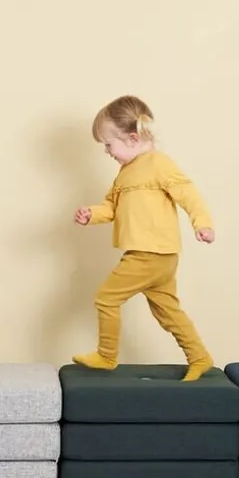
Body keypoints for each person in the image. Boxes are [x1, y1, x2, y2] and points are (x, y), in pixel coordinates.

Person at [73, 95, 215, 381]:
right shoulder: (124, 174)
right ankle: (200, 357)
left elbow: (188, 193)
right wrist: (92, 214)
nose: (107, 151)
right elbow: (111, 207)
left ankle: (107, 355)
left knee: (106, 299)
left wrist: (202, 223)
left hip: (148, 254)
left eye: (108, 144)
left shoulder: (159, 164)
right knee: (168, 312)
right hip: (160, 257)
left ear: (133, 138)